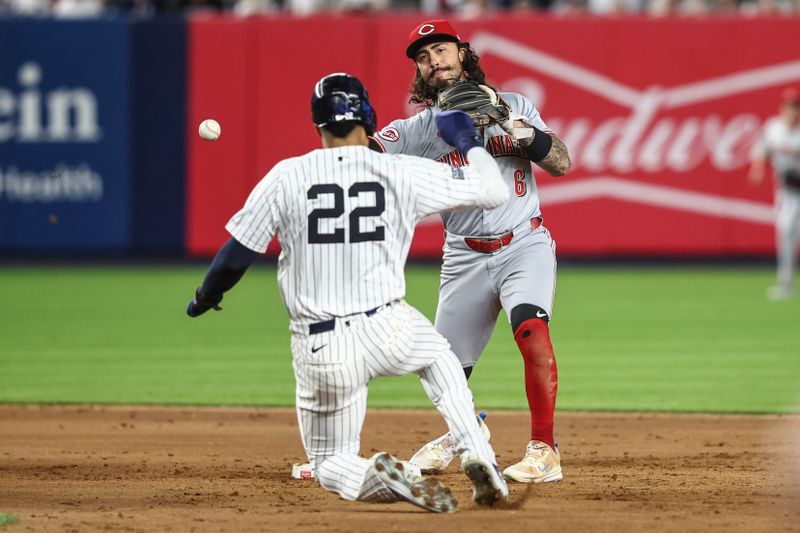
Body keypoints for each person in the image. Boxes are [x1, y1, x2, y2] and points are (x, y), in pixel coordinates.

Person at [186, 73, 511, 512]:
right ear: (369, 118)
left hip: (323, 346)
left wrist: (206, 296)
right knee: (439, 358)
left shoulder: (288, 176)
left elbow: (234, 257)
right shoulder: (401, 171)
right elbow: (493, 191)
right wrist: (468, 142)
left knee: (329, 462)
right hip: (389, 326)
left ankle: (386, 478)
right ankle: (477, 452)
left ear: (318, 125)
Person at [369, 19, 572, 484]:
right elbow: (363, 154)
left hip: (524, 241)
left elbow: (561, 162)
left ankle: (545, 450)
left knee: (530, 329)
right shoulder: (420, 129)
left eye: (440, 49)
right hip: (463, 255)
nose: (432, 61)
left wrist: (521, 130)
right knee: (442, 369)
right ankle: (463, 433)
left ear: (462, 53)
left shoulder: (514, 105)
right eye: (423, 57)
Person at [750, 88, 800, 300]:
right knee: (786, 234)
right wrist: (758, 167)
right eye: (789, 107)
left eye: (796, 107)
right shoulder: (773, 129)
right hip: (787, 192)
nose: (792, 112)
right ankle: (786, 284)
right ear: (782, 109)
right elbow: (763, 151)